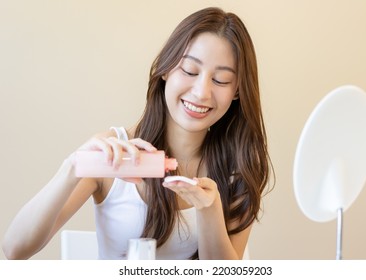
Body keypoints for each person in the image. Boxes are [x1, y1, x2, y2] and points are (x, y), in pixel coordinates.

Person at [2, 7, 273, 260]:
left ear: (237, 91)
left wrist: (209, 212)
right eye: (190, 70)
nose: (202, 92)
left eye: (220, 80)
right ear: (166, 69)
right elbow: (15, 250)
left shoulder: (239, 169)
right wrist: (73, 166)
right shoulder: (114, 150)